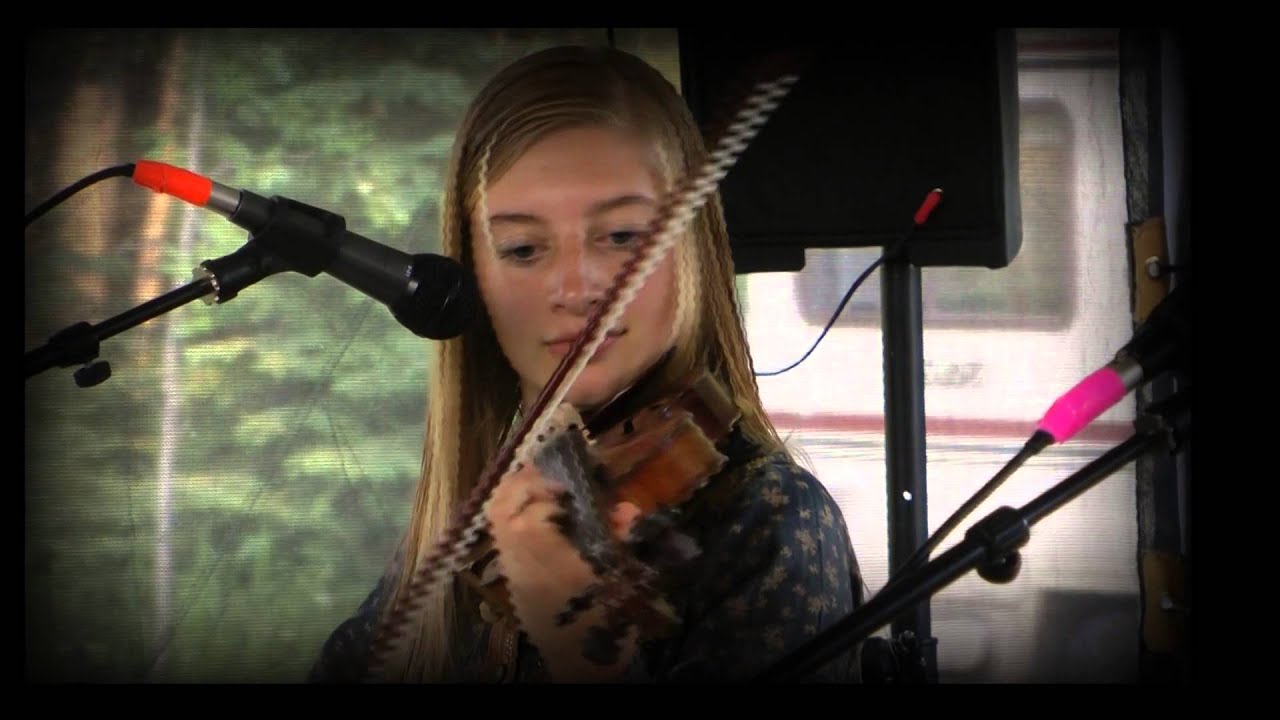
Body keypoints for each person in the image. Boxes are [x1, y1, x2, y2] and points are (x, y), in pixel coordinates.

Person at [308, 44, 864, 684]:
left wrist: (585, 652)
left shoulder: (773, 520)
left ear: (693, 250)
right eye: (522, 248)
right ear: (474, 280)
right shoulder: (472, 518)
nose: (575, 288)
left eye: (622, 237)